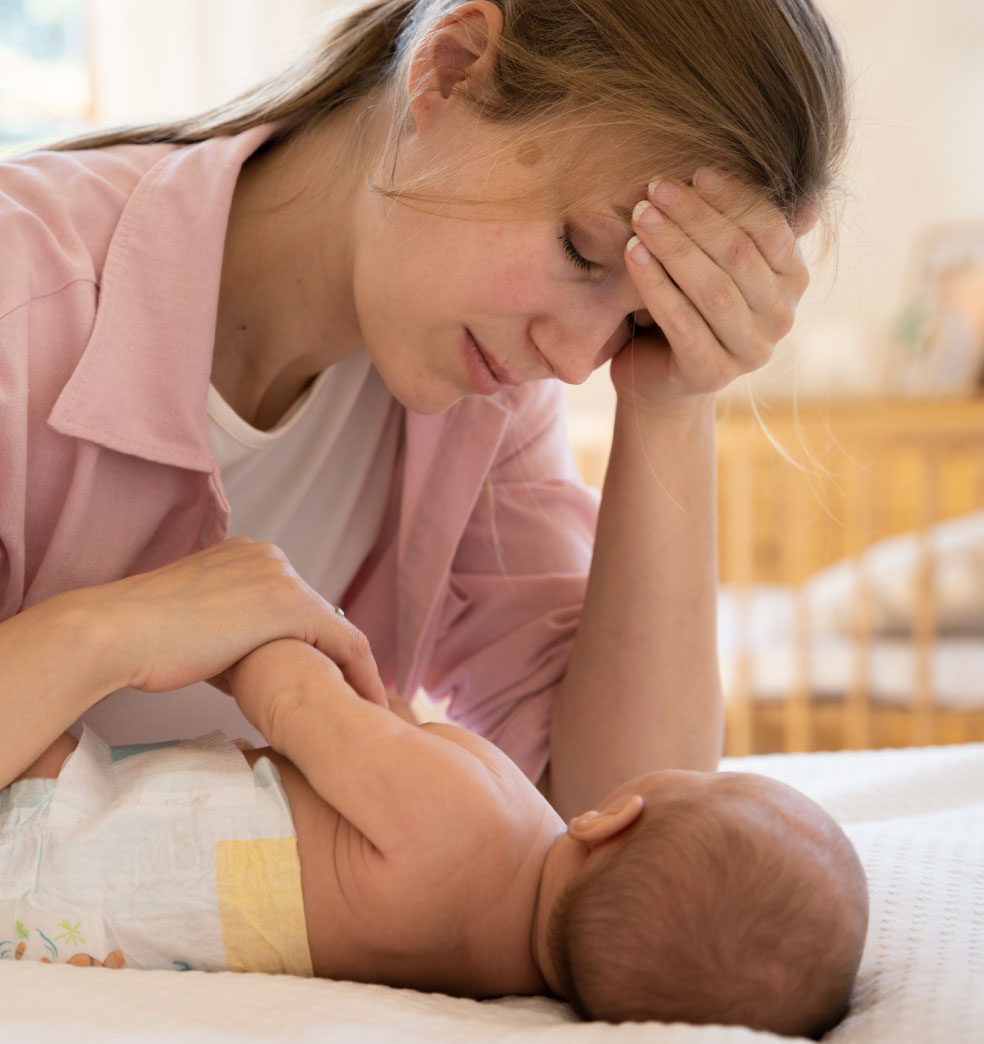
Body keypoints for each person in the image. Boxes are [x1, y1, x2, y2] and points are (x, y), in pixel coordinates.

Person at [0, 0, 848, 819]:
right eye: (581, 250)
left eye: (636, 318)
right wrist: (117, 631)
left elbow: (619, 823)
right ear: (451, 70)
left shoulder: (486, 395)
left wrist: (672, 403)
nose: (574, 360)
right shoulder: (21, 292)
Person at [3, 638, 868, 1037]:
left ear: (611, 818)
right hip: (71, 928)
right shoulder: (485, 972)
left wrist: (266, 630)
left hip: (61, 822)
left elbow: (300, 708)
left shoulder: (482, 817)